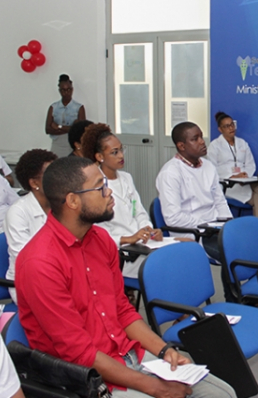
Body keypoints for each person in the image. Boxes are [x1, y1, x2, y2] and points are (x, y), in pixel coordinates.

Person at [15, 156, 236, 398]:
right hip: (84, 378)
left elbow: (122, 310)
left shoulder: (100, 240)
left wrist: (164, 350)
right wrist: (157, 388)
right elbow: (79, 353)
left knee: (223, 393)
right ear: (72, 200)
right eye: (100, 187)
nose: (109, 192)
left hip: (126, 354)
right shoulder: (40, 262)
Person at [156, 122, 258, 302]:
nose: (202, 142)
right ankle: (234, 297)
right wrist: (206, 225)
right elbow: (173, 218)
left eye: (201, 136)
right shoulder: (170, 173)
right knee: (234, 251)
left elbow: (220, 200)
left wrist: (229, 224)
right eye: (195, 139)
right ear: (181, 146)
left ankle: (249, 293)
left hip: (216, 228)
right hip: (194, 233)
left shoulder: (208, 166)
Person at [81, 123, 163, 282]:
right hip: (120, 253)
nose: (121, 156)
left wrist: (148, 230)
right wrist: (127, 239)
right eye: (114, 152)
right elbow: (95, 233)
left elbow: (139, 212)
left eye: (121, 149)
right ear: (99, 157)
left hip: (141, 245)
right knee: (164, 269)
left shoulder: (126, 178)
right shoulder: (93, 186)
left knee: (177, 256)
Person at [3, 149, 58, 303]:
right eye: (51, 175)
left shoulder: (61, 205)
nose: (59, 179)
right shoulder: (17, 212)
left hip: (59, 276)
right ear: (34, 183)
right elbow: (26, 260)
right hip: (28, 282)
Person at [207, 111, 258, 221]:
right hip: (228, 184)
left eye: (232, 124)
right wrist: (231, 176)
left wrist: (245, 175)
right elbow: (212, 168)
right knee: (257, 197)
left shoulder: (242, 143)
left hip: (244, 181)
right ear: (220, 129)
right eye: (227, 126)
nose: (231, 128)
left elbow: (250, 163)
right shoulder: (214, 146)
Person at [45, 74, 86, 158]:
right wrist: (70, 128)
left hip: (72, 144)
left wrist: (58, 127)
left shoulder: (79, 107)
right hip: (57, 144)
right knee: (55, 168)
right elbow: (47, 129)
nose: (66, 93)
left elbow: (81, 130)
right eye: (63, 90)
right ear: (59, 90)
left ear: (72, 89)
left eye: (69, 89)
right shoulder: (53, 107)